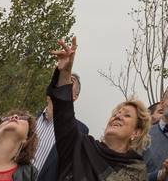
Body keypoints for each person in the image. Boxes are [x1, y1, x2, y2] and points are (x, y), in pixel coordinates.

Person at [49, 37, 151, 180]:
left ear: (136, 132)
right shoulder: (80, 147)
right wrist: (65, 73)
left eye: (127, 115)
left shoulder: (137, 173)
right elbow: (63, 112)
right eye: (116, 113)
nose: (118, 116)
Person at [34, 72, 88, 181]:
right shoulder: (27, 120)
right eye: (60, 81)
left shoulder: (80, 132)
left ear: (75, 96)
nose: (62, 85)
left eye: (69, 83)